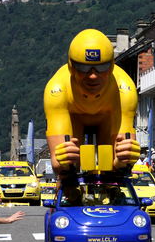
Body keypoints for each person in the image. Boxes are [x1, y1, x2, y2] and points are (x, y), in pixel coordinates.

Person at [43, 29, 140, 175]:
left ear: (112, 66)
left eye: (102, 67)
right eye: (83, 68)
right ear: (71, 66)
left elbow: (123, 163)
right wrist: (64, 164)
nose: (93, 76)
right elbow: (57, 163)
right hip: (74, 115)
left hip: (107, 115)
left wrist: (123, 160)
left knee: (114, 170)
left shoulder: (124, 90)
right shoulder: (57, 90)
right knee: (67, 167)